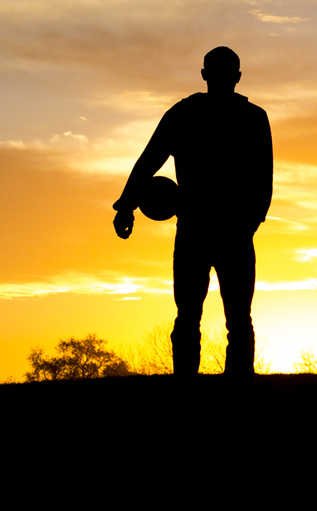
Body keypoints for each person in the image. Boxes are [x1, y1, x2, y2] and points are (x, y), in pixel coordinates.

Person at [112, 46, 273, 378]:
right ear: (237, 77)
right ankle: (232, 388)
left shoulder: (185, 114)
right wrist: (249, 223)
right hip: (223, 230)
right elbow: (264, 182)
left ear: (203, 75)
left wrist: (126, 206)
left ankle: (190, 388)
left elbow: (147, 162)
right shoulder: (251, 117)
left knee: (195, 316)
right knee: (232, 318)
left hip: (200, 230)